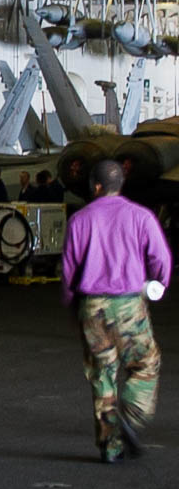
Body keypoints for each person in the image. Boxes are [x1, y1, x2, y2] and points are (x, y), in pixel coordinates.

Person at [61, 160, 171, 464]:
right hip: (128, 305)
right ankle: (131, 414)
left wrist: (73, 307)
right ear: (119, 184)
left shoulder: (80, 220)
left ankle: (110, 447)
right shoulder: (141, 216)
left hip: (92, 307)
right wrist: (158, 283)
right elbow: (161, 259)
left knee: (102, 375)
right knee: (145, 363)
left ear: (96, 186)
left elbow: (69, 271)